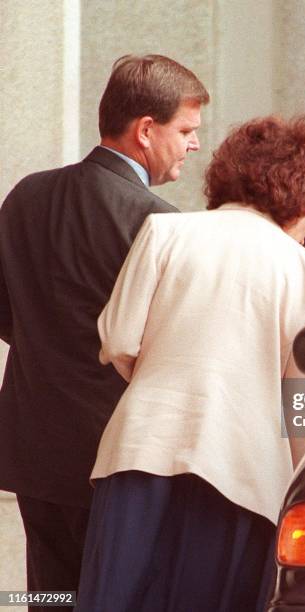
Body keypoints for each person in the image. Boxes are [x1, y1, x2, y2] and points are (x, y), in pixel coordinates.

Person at [74, 116, 305, 612]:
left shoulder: (165, 231)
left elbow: (117, 339)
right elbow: (302, 406)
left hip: (140, 453)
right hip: (243, 473)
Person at [0, 54, 209, 610]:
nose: (193, 146)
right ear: (146, 129)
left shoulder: (25, 196)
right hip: (117, 456)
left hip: (33, 449)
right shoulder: (159, 224)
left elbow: (5, 313)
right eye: (186, 131)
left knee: (52, 599)